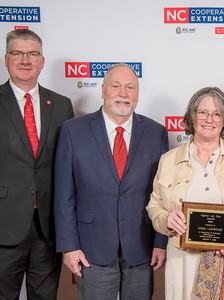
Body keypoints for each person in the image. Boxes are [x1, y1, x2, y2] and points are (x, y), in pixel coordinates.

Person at [54, 64, 168, 299]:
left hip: (141, 248)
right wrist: (69, 246)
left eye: (130, 87)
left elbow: (163, 193)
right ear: (103, 90)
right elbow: (64, 195)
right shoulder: (72, 131)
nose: (123, 93)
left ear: (137, 94)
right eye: (115, 86)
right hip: (91, 249)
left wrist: (160, 242)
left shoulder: (156, 133)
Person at [146, 86, 224, 299]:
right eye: (203, 112)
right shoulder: (169, 160)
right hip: (182, 261)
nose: (209, 119)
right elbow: (154, 205)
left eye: (217, 114)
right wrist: (166, 219)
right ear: (192, 118)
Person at [0, 29, 74, 299]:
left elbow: (68, 168)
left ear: (42, 60)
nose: (25, 60)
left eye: (32, 54)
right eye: (17, 53)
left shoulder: (62, 105)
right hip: (4, 226)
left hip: (47, 229)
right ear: (6, 58)